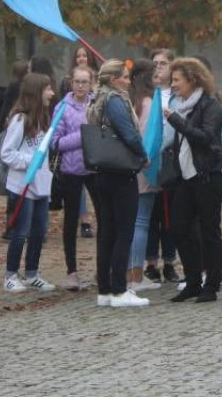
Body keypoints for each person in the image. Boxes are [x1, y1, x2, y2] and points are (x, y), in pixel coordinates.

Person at [163, 58, 222, 303]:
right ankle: (192, 281)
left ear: (192, 80)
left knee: (209, 230)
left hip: (209, 175)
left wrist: (176, 122)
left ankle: (211, 284)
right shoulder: (180, 105)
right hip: (187, 177)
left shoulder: (211, 105)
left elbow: (206, 137)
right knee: (179, 228)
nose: (173, 85)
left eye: (177, 80)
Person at [87, 59, 150, 308]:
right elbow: (128, 133)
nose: (127, 80)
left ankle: (105, 288)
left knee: (107, 231)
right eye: (124, 77)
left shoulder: (97, 99)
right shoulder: (115, 100)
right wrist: (142, 155)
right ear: (113, 80)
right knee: (124, 230)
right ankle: (118, 288)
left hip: (102, 171)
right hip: (121, 172)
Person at [1, 73, 57, 294]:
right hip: (22, 186)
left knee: (39, 231)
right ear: (36, 92)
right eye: (48, 89)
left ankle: (32, 273)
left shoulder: (44, 119)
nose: (52, 94)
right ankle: (11, 274)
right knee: (21, 231)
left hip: (41, 186)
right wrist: (29, 162)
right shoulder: (20, 120)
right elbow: (7, 153)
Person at [50, 65, 99, 290]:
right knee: (70, 222)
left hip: (95, 168)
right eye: (77, 82)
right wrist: (82, 135)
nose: (80, 86)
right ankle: (72, 272)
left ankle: (103, 268)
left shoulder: (96, 105)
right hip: (71, 170)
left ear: (91, 84)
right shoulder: (62, 108)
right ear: (71, 83)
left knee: (104, 217)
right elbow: (54, 142)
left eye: (84, 82)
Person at [127, 59, 163, 293]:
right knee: (141, 222)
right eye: (155, 74)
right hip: (145, 166)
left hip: (131, 166)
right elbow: (149, 136)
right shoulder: (148, 103)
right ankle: (136, 276)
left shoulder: (131, 100)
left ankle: (132, 273)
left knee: (134, 222)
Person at [144, 49, 179, 286]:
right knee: (150, 214)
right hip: (150, 157)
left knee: (169, 214)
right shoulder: (146, 95)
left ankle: (169, 261)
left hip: (171, 158)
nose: (158, 68)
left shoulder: (177, 94)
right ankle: (150, 263)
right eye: (155, 63)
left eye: (163, 63)